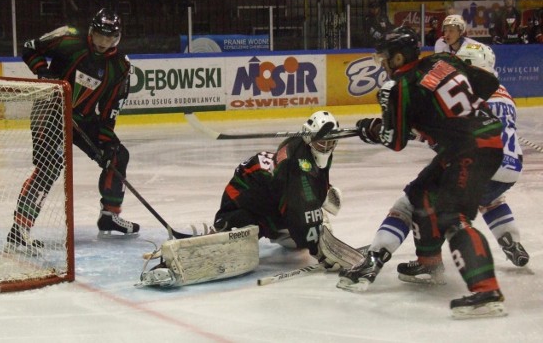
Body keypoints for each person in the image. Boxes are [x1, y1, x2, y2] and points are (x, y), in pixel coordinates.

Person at [337, 26, 507, 319]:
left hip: (471, 150)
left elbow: (395, 141)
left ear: (400, 57)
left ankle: (486, 291)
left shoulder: (400, 85)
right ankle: (430, 265)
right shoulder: (443, 60)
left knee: (453, 216)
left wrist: (371, 129)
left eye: (386, 58)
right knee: (418, 194)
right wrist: (447, 118)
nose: (384, 64)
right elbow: (487, 82)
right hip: (472, 144)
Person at [5, 8, 139, 254]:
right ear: (91, 30)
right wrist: (43, 72)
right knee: (50, 165)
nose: (103, 42)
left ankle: (109, 215)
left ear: (117, 38)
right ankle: (19, 230)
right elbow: (29, 47)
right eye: (100, 35)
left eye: (109, 38)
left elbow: (111, 107)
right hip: (50, 111)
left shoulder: (121, 66)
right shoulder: (68, 38)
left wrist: (106, 139)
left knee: (118, 155)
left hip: (85, 120)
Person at [213, 111, 346, 264]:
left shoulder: (312, 152)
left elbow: (312, 185)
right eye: (322, 142)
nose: (326, 147)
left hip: (273, 203)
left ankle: (267, 227)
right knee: (242, 247)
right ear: (309, 138)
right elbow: (298, 209)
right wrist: (319, 250)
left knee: (306, 234)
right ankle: (226, 224)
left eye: (331, 142)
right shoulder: (294, 164)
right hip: (245, 200)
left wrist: (322, 196)